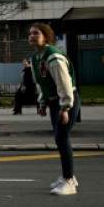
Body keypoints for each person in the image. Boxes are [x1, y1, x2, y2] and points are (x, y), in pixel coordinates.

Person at [28, 23, 81, 196]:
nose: (32, 36)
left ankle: (68, 181)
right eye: (30, 34)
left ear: (46, 36)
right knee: (60, 139)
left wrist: (65, 107)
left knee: (62, 137)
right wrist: (42, 103)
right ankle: (69, 175)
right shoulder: (36, 57)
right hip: (53, 102)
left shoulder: (53, 57)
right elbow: (41, 83)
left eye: (36, 33)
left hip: (65, 101)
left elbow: (64, 84)